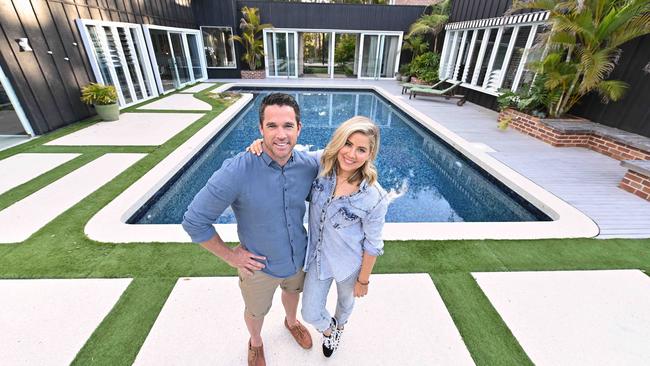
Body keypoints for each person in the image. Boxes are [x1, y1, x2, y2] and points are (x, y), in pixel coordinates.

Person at [182, 93, 319, 366]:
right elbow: (194, 220)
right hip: (258, 267)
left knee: (293, 292)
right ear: (260, 129)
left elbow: (345, 160)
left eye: (288, 126)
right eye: (272, 126)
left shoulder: (308, 166)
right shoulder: (237, 171)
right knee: (256, 311)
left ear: (299, 128)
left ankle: (291, 322)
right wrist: (231, 257)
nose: (281, 134)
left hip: (298, 257)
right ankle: (255, 342)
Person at [249, 116, 389, 358]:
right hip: (318, 259)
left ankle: (341, 325)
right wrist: (262, 145)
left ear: (370, 154)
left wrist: (363, 280)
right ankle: (330, 330)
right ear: (338, 142)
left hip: (350, 265)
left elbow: (373, 244)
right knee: (311, 313)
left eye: (361, 149)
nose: (351, 154)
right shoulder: (321, 164)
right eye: (348, 144)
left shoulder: (374, 196)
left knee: (345, 304)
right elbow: (291, 157)